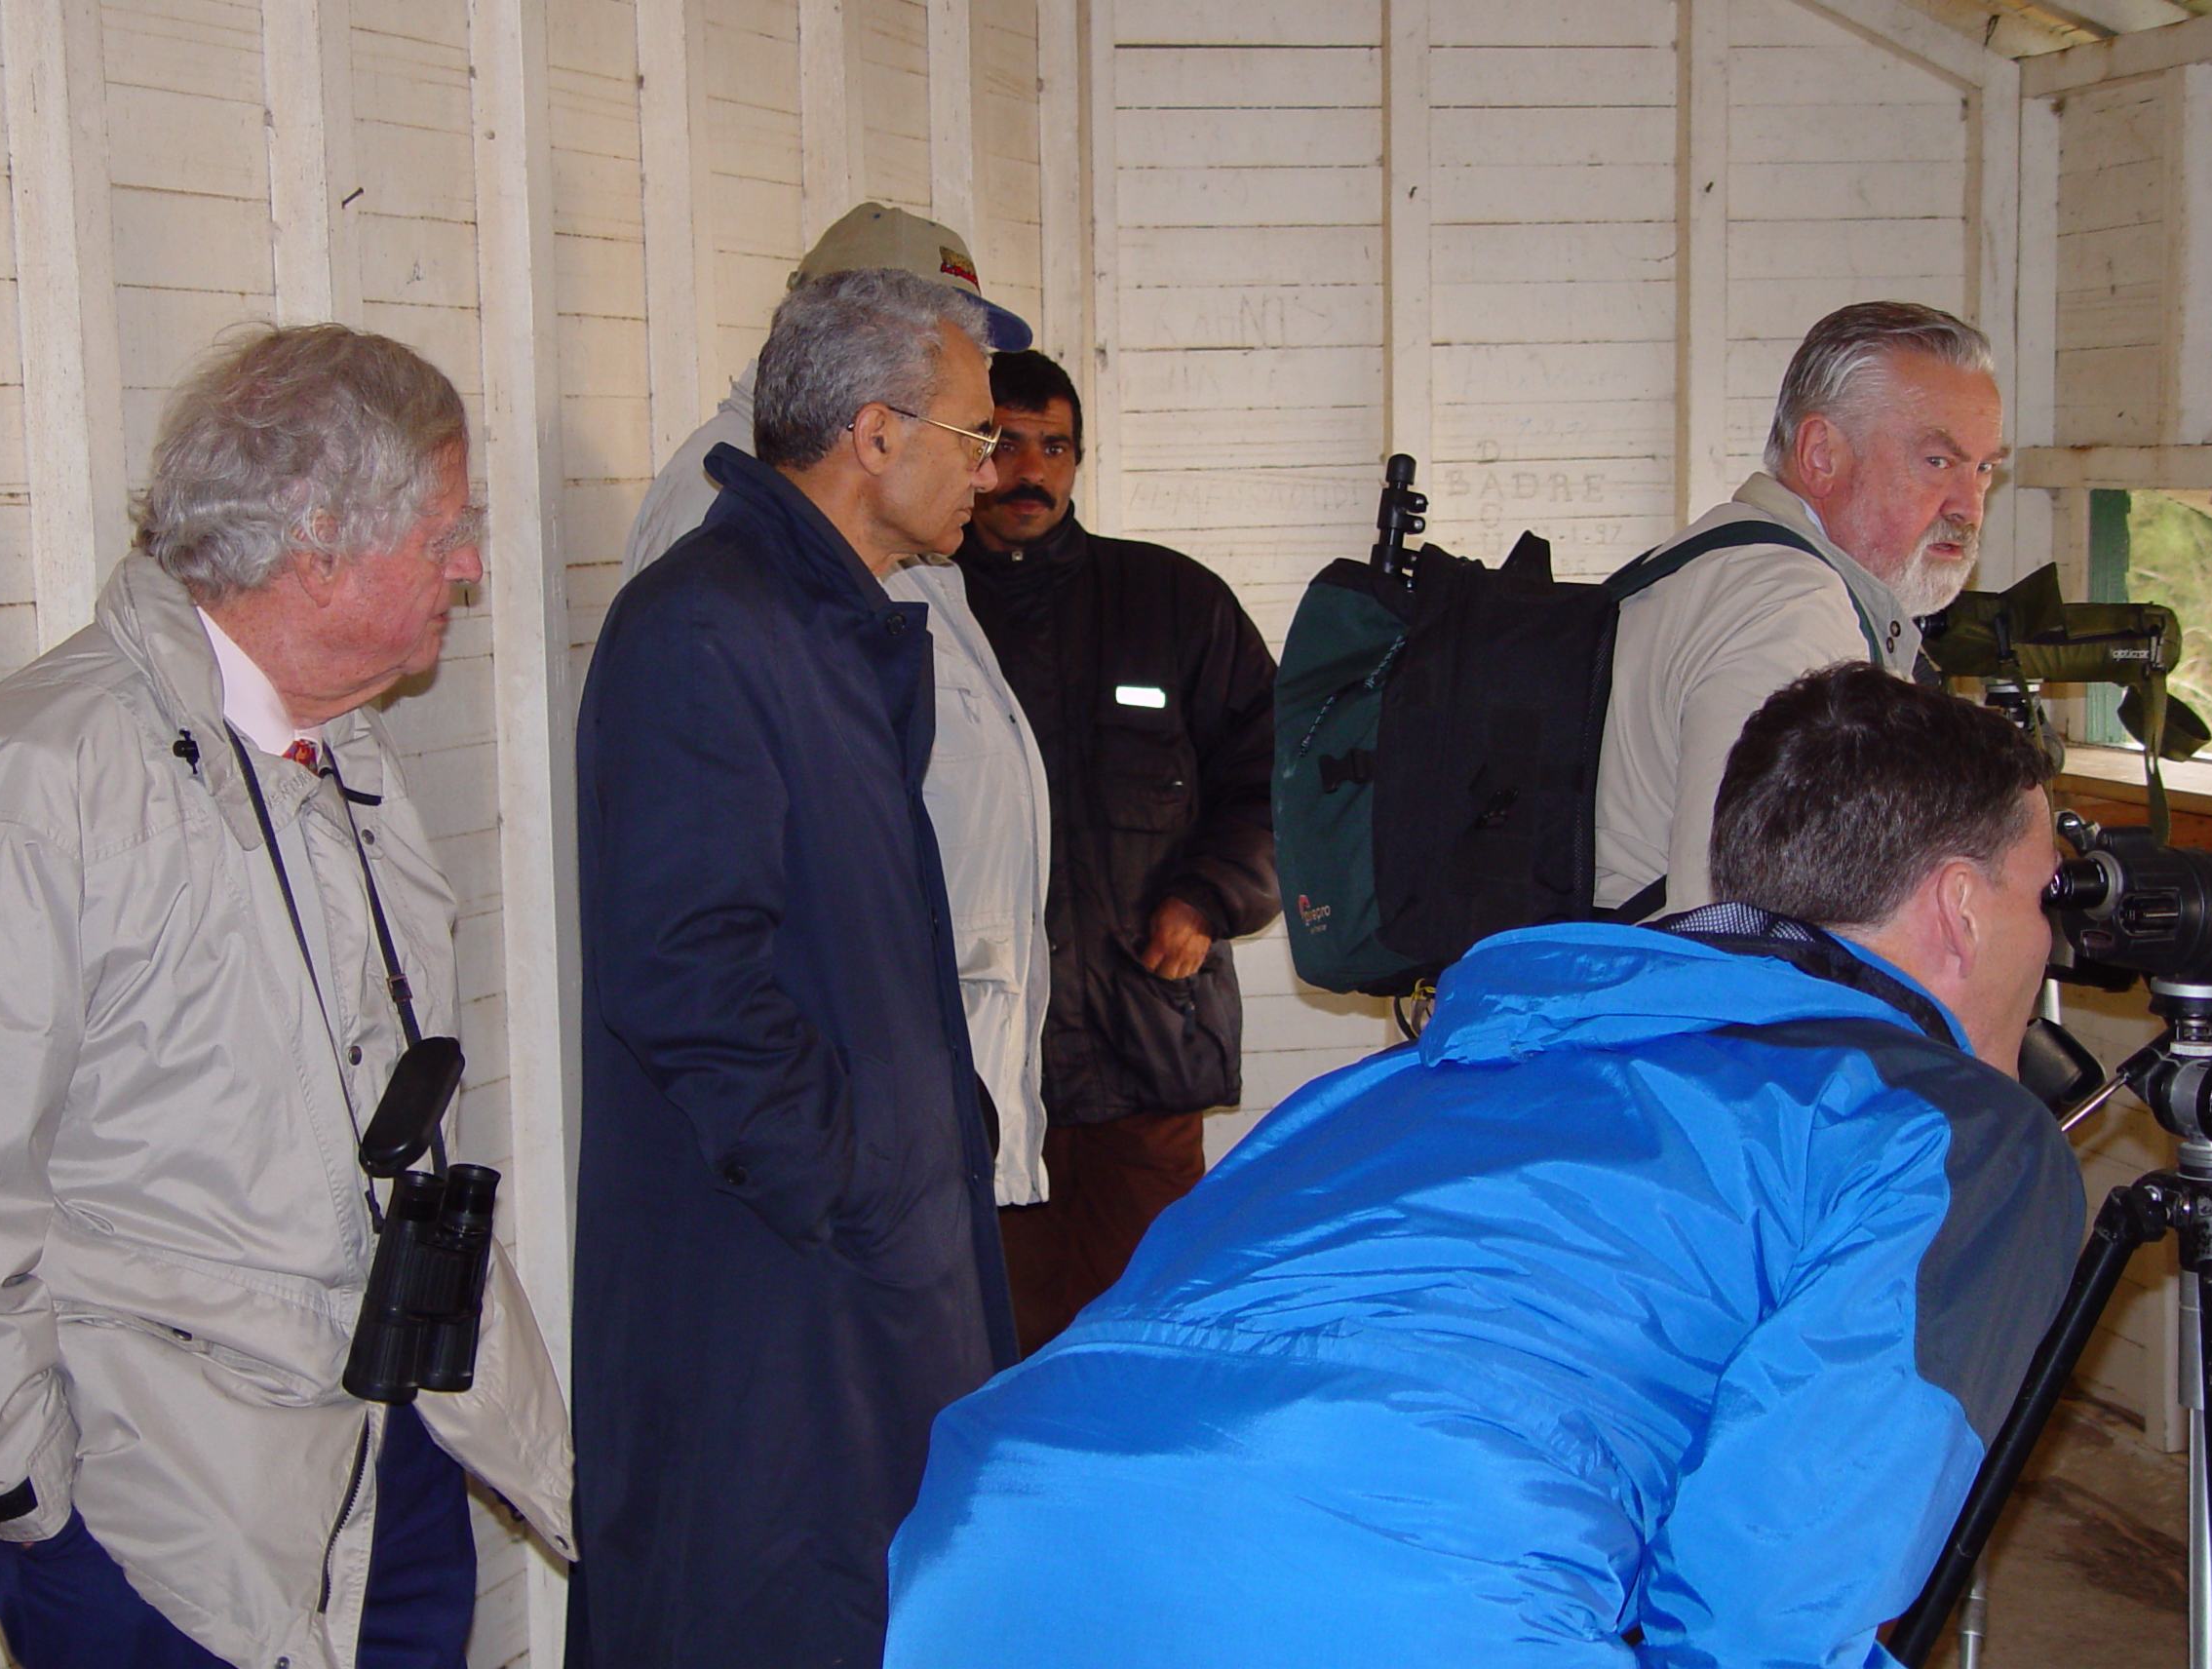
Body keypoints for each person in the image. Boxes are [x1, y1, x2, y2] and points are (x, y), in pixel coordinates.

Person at [886, 663, 2084, 1669]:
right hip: (1405, 1590)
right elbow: (1772, 1593)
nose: (2049, 943)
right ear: (1959, 910)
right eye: (2041, 896)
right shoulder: (1948, 1128)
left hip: (993, 1544)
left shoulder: (1419, 1068)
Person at [0, 324, 574, 1669]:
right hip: (161, 1531)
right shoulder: (36, 788)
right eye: (445, 531)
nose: (471, 567)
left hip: (388, 1463)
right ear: (318, 537)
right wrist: (32, 1500)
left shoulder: (337, 760)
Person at [571, 268, 1018, 1669]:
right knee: (770, 1608)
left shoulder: (836, 617)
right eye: (974, 433)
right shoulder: (708, 625)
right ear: (873, 436)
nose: (992, 468)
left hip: (860, 1263)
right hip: (777, 1285)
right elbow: (687, 972)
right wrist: (848, 1178)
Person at [620, 202, 1053, 1212]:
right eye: (939, 325)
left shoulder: (890, 507)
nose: (963, 356)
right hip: (852, 1121)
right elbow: (708, 948)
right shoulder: (725, 513)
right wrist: (850, 1163)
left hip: (917, 1081)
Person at [951, 349, 1278, 1355]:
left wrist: (1206, 896)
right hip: (985, 1081)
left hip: (1145, 1056)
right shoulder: (920, 614)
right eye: (1003, 444)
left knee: (1155, 1341)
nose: (1029, 472)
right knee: (1002, 1353)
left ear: (1081, 460)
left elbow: (1274, 779)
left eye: (1054, 447)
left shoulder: (1173, 601)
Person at [1598, 299, 2008, 915]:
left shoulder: (1719, 556)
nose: (1968, 507)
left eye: (1982, 472)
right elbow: (1746, 918)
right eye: (1937, 462)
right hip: (1680, 1006)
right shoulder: (1789, 610)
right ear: (1821, 455)